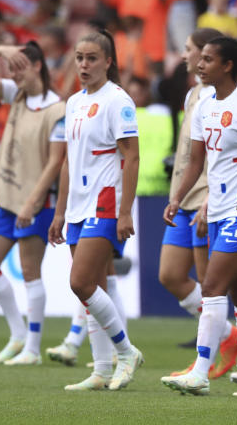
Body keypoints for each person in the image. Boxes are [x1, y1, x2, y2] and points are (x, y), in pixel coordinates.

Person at [160, 36, 237, 397]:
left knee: (211, 286)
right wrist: (178, 198)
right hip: (219, 210)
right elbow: (197, 162)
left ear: (228, 65)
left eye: (208, 59)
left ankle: (199, 371)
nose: (200, 64)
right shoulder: (204, 106)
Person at [48, 30, 144, 391]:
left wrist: (125, 211)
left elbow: (132, 156)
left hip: (105, 202)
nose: (84, 65)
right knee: (94, 287)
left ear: (108, 61)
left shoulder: (117, 101)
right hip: (76, 205)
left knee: (81, 282)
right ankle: (102, 370)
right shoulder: (73, 102)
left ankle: (126, 352)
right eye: (79, 57)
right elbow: (68, 161)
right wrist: (59, 212)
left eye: (91, 58)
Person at [0, 43, 66, 365]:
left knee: (30, 272)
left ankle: (33, 349)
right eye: (11, 69)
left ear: (37, 66)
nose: (13, 75)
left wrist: (33, 202)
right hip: (7, 198)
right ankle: (18, 334)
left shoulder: (57, 108)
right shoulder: (17, 94)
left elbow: (56, 162)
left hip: (37, 202)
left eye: (19, 68)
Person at [159, 28, 237, 380]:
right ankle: (228, 335)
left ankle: (206, 359)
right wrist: (177, 194)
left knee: (212, 283)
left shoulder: (224, 99)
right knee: (170, 275)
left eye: (191, 50)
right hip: (186, 195)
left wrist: (211, 197)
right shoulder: (193, 93)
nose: (185, 56)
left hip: (210, 198)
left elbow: (224, 156)